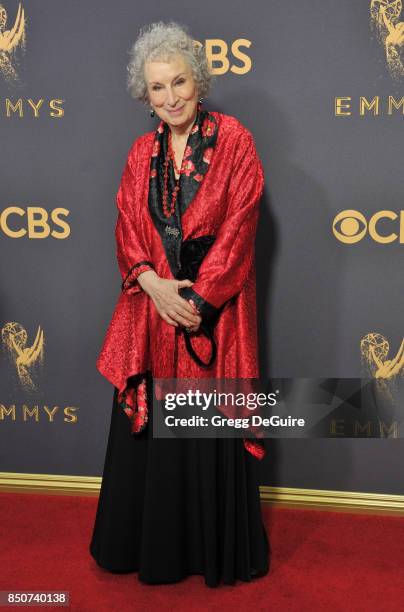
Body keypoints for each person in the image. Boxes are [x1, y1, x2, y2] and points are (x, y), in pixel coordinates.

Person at [89, 20, 270, 588]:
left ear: (200, 80)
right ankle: (147, 548)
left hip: (207, 315)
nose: (169, 98)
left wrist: (197, 298)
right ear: (145, 95)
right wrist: (153, 285)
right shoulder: (140, 151)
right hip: (152, 309)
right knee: (150, 433)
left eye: (179, 83)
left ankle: (206, 551)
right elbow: (127, 229)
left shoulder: (235, 139)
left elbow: (240, 225)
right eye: (157, 88)